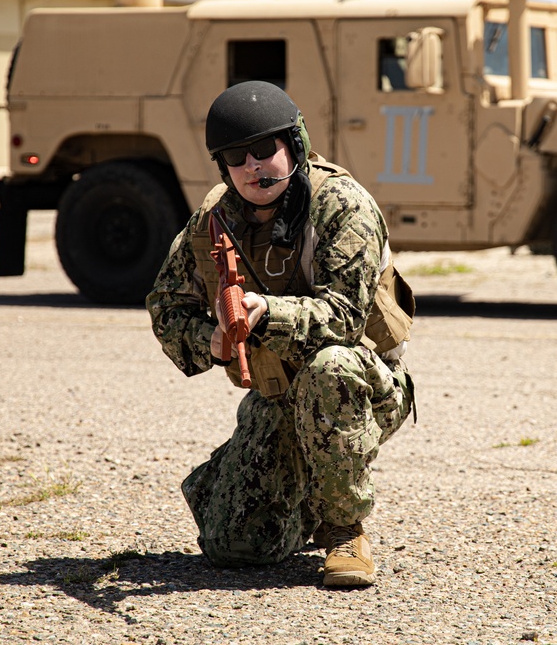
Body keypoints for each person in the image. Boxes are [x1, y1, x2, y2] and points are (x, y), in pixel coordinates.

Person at [146, 81, 415, 587]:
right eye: (235, 157)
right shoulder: (213, 222)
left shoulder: (341, 207)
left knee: (328, 366)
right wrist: (215, 341)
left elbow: (344, 318)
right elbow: (166, 307)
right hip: (278, 394)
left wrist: (265, 311)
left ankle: (344, 530)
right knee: (235, 549)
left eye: (264, 150)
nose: (253, 167)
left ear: (294, 144)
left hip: (361, 385)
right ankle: (284, 488)